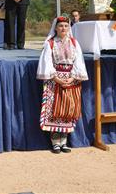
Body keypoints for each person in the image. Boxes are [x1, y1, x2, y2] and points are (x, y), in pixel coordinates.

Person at [36, 16, 88, 153]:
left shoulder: (74, 43)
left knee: (67, 109)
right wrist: (55, 77)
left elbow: (79, 61)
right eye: (60, 26)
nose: (63, 28)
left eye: (66, 26)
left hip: (71, 78)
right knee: (55, 109)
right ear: (56, 28)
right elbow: (46, 62)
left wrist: (73, 78)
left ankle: (64, 141)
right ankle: (55, 142)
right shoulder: (50, 43)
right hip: (55, 79)